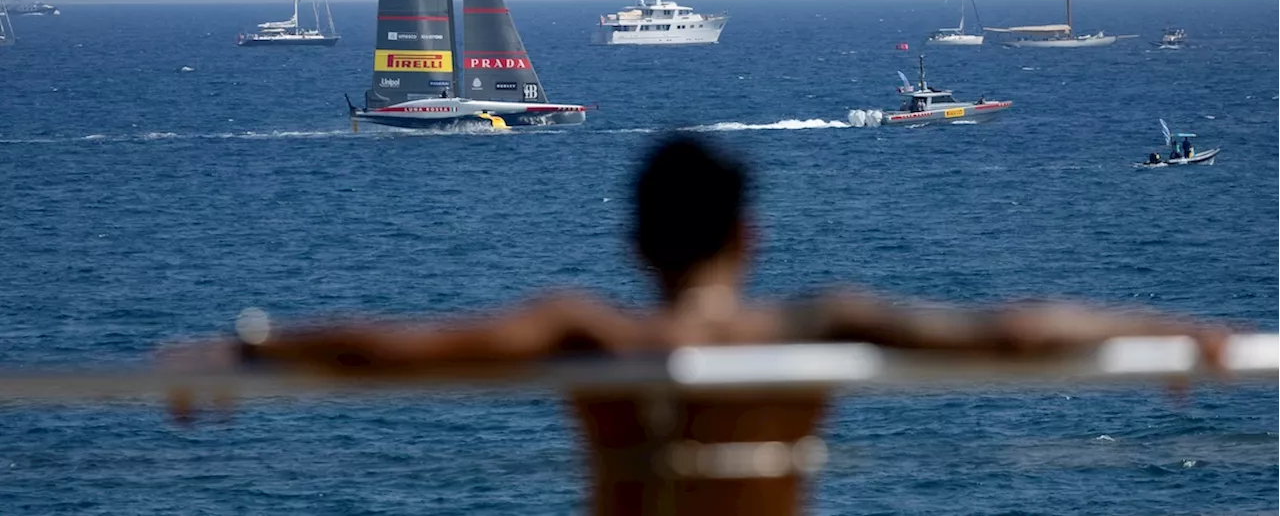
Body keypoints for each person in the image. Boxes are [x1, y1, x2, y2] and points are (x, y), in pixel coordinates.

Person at [163, 135, 1228, 516]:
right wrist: (1167, 327)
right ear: (748, 238)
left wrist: (247, 345)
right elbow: (1010, 331)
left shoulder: (582, 332)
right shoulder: (818, 323)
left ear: (634, 246)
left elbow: (390, 349)